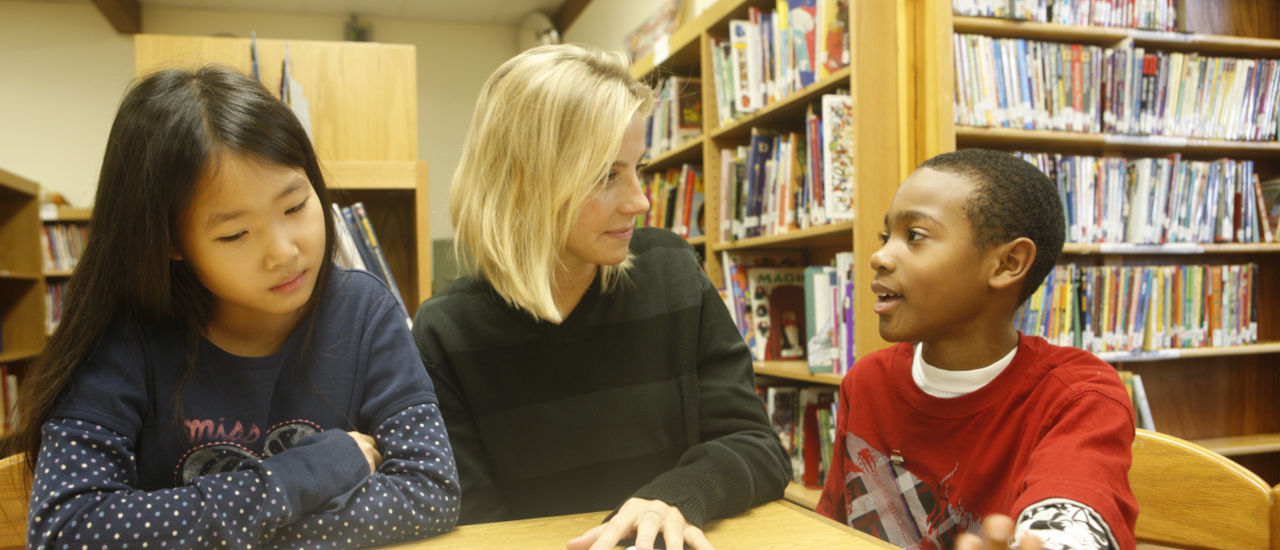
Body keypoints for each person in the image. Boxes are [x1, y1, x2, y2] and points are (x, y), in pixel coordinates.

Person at [11, 66, 460, 548]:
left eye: (295, 207)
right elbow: (68, 530)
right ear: (170, 241)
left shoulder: (364, 312)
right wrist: (308, 472)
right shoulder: (125, 335)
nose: (284, 252)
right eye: (234, 234)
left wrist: (222, 531)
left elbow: (430, 489)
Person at [413, 44, 791, 550]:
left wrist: (673, 498)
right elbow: (476, 521)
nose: (640, 200)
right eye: (606, 176)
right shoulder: (444, 333)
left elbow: (758, 446)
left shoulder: (672, 272)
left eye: (638, 168)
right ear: (524, 181)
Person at [815, 149, 1138, 550]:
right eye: (886, 237)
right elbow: (832, 529)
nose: (879, 256)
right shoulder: (867, 381)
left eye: (915, 236)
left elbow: (1072, 518)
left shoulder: (1079, 396)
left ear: (1007, 264)